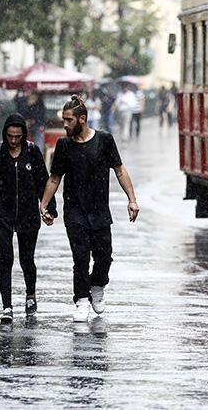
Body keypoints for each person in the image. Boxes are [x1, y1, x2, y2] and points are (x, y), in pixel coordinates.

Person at [40, 96, 139, 322]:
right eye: (63, 120)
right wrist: (43, 204)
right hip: (74, 211)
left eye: (68, 120)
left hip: (100, 210)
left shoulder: (104, 140)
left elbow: (120, 171)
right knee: (80, 257)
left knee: (104, 256)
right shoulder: (64, 146)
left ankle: (98, 285)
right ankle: (82, 300)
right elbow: (55, 178)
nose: (64, 125)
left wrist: (132, 199)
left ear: (82, 119)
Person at [0, 113, 56, 323]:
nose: (14, 140)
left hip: (28, 215)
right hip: (2, 215)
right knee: (5, 259)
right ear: (5, 134)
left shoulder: (33, 152)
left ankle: (30, 296)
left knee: (27, 260)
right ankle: (7, 306)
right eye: (10, 136)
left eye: (18, 136)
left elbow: (43, 182)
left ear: (23, 135)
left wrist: (49, 209)